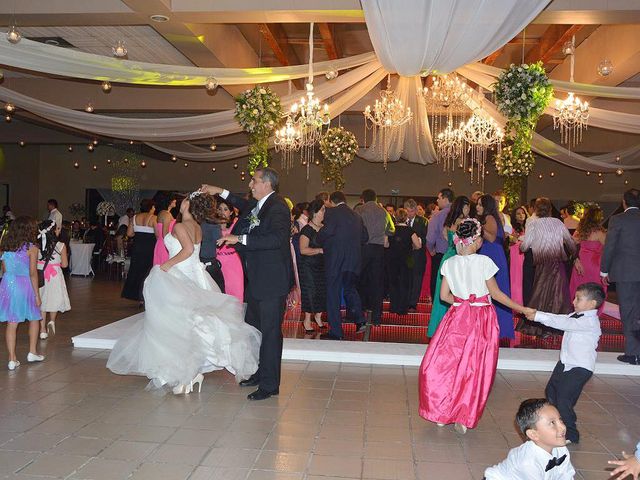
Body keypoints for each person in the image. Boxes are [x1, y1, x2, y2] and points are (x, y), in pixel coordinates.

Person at [107, 193, 260, 394]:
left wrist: (165, 266)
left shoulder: (179, 226)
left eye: (184, 201)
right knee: (191, 325)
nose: (181, 203)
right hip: (195, 275)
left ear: (189, 204)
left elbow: (187, 251)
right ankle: (190, 372)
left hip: (181, 275)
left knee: (175, 325)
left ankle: (187, 372)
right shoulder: (197, 226)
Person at [419, 219, 528, 433]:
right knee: (473, 367)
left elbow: (444, 296)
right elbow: (496, 294)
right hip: (481, 319)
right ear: (477, 241)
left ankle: (441, 412)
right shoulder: (484, 262)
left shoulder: (449, 263)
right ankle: (463, 415)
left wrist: (462, 303)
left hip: (457, 317)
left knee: (449, 364)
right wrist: (521, 309)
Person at [203, 167, 293, 401]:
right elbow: (240, 203)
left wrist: (239, 238)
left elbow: (277, 239)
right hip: (256, 280)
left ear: (267, 184)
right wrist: (218, 190)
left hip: (272, 282)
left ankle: (270, 384)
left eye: (254, 181)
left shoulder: (278, 207)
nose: (250, 185)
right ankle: (259, 373)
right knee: (255, 330)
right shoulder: (258, 205)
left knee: (271, 334)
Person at [524, 282, 603, 444]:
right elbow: (560, 319)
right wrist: (536, 314)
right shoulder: (575, 316)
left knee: (563, 400)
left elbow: (563, 323)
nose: (573, 301)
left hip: (580, 368)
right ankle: (557, 425)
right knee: (551, 392)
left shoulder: (589, 322)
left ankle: (571, 434)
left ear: (592, 304)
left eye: (578, 299)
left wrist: (538, 316)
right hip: (565, 363)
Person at [520, 197, 576, 335]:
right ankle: (559, 327)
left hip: (542, 265)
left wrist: (521, 246)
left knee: (541, 295)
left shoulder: (533, 224)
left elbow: (525, 246)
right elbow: (571, 243)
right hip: (558, 265)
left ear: (536, 209)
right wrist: (573, 256)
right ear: (550, 209)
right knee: (559, 296)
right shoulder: (558, 222)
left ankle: (541, 327)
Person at [317, 191, 368, 340]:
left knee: (333, 294)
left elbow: (327, 232)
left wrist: (318, 235)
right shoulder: (357, 216)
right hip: (353, 260)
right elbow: (365, 237)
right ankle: (360, 319)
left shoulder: (332, 213)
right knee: (350, 289)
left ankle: (336, 332)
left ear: (332, 202)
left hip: (336, 260)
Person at [484, 399, 575, 479]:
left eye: (560, 420)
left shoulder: (560, 449)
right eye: (552, 423)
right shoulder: (528, 462)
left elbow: (567, 475)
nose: (562, 427)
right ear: (533, 434)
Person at [601, 188, 640, 365]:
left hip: (626, 273)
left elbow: (610, 246)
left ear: (624, 202)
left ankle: (633, 353)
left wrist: (604, 271)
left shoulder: (618, 220)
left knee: (629, 312)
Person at [0, 216, 45, 370]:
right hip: (23, 283)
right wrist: (37, 295)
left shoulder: (5, 245)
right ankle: (32, 352)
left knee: (12, 323)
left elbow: (4, 269)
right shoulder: (32, 248)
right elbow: (33, 273)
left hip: (7, 283)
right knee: (34, 317)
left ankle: (12, 359)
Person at [427, 195, 470, 337]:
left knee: (443, 293)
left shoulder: (449, 222)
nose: (468, 209)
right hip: (458, 258)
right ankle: (454, 329)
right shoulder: (464, 222)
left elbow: (447, 239)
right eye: (466, 206)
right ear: (461, 207)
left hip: (447, 257)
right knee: (458, 292)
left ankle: (440, 328)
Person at [476, 195, 513, 339]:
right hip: (490, 253)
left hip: (492, 255)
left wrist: (477, 226)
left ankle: (497, 328)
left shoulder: (490, 217)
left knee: (495, 289)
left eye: (480, 204)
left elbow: (491, 238)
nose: (477, 207)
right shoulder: (490, 217)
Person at [358, 189, 391, 326]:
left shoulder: (360, 210)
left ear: (363, 199)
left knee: (360, 280)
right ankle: (377, 317)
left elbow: (356, 228)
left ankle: (360, 312)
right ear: (376, 198)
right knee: (377, 283)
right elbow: (391, 229)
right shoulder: (383, 211)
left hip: (364, 248)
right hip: (378, 249)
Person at [36, 220, 70, 340]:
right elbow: (65, 265)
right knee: (54, 298)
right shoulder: (60, 245)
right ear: (53, 231)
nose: (59, 231)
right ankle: (52, 321)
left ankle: (42, 329)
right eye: (57, 229)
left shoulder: (37, 245)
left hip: (39, 275)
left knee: (41, 299)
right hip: (55, 275)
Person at [569, 204, 607, 312]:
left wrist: (575, 259)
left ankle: (577, 312)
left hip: (580, 263)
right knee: (595, 290)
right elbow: (608, 250)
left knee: (579, 288)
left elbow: (570, 245)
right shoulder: (600, 233)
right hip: (595, 265)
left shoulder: (580, 230)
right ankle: (593, 314)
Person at [298, 199, 327, 332]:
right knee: (310, 292)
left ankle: (318, 316)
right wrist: (319, 250)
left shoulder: (324, 228)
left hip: (322, 266)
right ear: (315, 212)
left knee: (321, 292)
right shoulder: (307, 230)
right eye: (322, 210)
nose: (324, 212)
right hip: (308, 266)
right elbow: (303, 249)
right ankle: (307, 320)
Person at [121, 199, 157, 302]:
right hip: (149, 248)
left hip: (137, 247)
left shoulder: (134, 218)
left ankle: (135, 294)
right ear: (151, 207)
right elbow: (158, 234)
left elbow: (129, 234)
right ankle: (145, 296)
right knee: (147, 271)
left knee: (136, 270)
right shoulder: (154, 218)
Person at [387, 208, 421, 315]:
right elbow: (418, 245)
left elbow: (385, 244)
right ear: (406, 217)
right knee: (405, 283)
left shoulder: (391, 230)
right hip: (407, 259)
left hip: (392, 259)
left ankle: (394, 306)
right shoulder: (410, 230)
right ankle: (402, 308)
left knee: (393, 283)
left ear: (395, 218)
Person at [426, 188, 453, 299]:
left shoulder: (438, 216)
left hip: (441, 255)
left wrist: (431, 250)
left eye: (439, 198)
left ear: (445, 199)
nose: (437, 200)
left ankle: (437, 309)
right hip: (457, 254)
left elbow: (430, 238)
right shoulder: (460, 215)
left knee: (438, 283)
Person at [215, 198, 244, 302]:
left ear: (231, 212)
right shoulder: (212, 225)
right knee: (219, 293)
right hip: (217, 262)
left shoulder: (236, 225)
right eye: (220, 209)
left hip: (233, 261)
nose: (222, 212)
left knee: (235, 292)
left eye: (225, 209)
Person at [405, 198, 428, 312]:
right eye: (408, 211)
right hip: (405, 255)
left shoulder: (423, 221)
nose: (409, 214)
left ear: (415, 210)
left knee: (417, 279)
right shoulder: (402, 220)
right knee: (405, 278)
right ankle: (404, 300)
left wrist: (417, 242)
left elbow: (426, 237)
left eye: (412, 211)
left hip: (418, 255)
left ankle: (413, 303)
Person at [199, 202, 224, 292]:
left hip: (197, 261)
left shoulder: (197, 223)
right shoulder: (213, 225)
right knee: (219, 290)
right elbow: (219, 242)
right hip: (209, 260)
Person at [153, 195, 177, 266]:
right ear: (169, 201)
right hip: (165, 245)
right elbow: (165, 234)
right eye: (174, 199)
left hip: (161, 244)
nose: (175, 200)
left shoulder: (163, 213)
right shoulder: (166, 214)